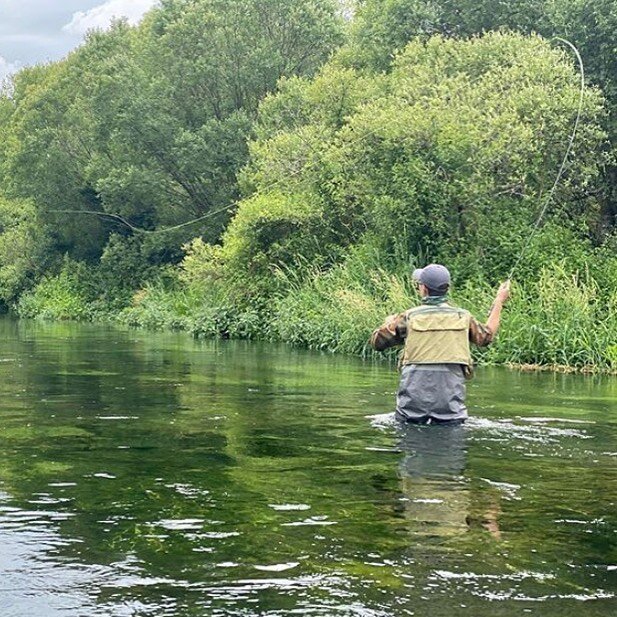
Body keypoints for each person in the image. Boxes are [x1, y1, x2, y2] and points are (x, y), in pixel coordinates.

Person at [370, 264, 510, 424]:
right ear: (447, 289)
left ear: (424, 289)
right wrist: (499, 301)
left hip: (411, 408)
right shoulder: (464, 317)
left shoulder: (408, 318)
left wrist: (388, 323)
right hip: (451, 409)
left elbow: (377, 343)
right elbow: (487, 337)